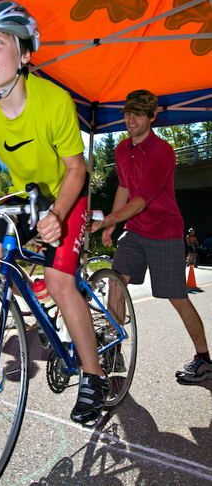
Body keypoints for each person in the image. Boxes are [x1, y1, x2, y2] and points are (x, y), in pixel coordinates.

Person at [0, 0, 109, 424]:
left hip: (68, 191)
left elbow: (75, 168)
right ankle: (40, 305)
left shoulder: (53, 101)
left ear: (25, 53)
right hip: (26, 193)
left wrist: (59, 215)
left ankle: (93, 377)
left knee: (59, 277)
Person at [88, 89, 211, 385]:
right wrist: (112, 225)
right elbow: (124, 189)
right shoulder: (121, 149)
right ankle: (113, 348)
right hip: (134, 230)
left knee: (177, 297)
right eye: (127, 113)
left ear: (152, 116)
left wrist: (110, 218)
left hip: (164, 231)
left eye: (138, 114)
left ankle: (204, 359)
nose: (130, 119)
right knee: (116, 283)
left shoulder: (162, 152)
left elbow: (142, 198)